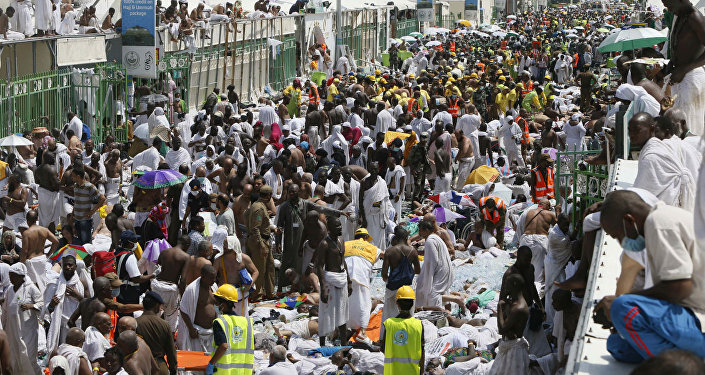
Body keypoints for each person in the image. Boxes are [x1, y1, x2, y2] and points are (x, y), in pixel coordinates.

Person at [596, 190, 705, 363]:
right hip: (689, 318)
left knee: (622, 308)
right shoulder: (661, 219)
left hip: (699, 320)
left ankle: (684, 366)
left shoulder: (659, 223)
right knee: (617, 345)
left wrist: (621, 300)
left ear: (629, 220)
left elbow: (679, 287)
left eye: (617, 235)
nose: (620, 242)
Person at [629, 112, 695, 211]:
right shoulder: (656, 147)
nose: (631, 135)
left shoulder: (651, 157)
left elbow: (639, 198)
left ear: (652, 129)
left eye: (637, 130)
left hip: (669, 213)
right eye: (629, 130)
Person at [664, 0, 705, 135]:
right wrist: (672, 63)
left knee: (690, 126)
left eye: (669, 6)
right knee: (677, 124)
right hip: (681, 75)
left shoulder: (695, 17)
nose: (669, 10)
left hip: (691, 77)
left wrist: (684, 69)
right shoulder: (681, 15)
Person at [2, 262, 42, 374]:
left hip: (27, 329)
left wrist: (31, 306)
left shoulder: (31, 288)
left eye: (13, 275)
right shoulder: (9, 289)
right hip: (12, 329)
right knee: (14, 355)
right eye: (9, 275)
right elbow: (5, 309)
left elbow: (41, 303)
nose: (10, 278)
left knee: (27, 355)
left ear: (20, 276)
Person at [316, 216, 350, 346]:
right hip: (330, 281)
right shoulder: (324, 244)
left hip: (342, 279)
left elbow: (343, 261)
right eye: (337, 226)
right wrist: (323, 287)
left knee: (342, 312)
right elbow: (319, 266)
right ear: (329, 229)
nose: (340, 228)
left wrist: (349, 281)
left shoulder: (341, 240)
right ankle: (322, 344)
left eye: (340, 225)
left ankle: (344, 343)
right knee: (326, 313)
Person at [206, 284, 254, 375]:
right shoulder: (246, 322)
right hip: (243, 372)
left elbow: (223, 346)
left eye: (216, 302)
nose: (215, 305)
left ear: (223, 304)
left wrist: (211, 363)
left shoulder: (220, 322)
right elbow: (252, 345)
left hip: (224, 372)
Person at [343, 228, 381, 342]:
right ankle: (363, 332)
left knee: (346, 303)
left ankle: (343, 329)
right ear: (365, 238)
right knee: (364, 304)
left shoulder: (345, 244)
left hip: (345, 278)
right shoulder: (372, 248)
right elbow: (386, 254)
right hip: (362, 278)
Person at [489, 274, 530, 375]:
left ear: (514, 285)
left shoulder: (518, 308)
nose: (505, 288)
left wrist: (499, 308)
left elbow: (501, 329)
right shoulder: (513, 303)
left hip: (514, 351)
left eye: (507, 285)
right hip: (510, 346)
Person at [381, 226, 420, 331]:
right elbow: (418, 270)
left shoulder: (389, 252)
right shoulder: (413, 252)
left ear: (396, 238)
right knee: (409, 313)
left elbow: (384, 274)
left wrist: (390, 280)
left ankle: (387, 336)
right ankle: (408, 334)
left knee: (389, 313)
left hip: (393, 286)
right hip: (408, 287)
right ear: (406, 237)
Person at [381, 286, 424, 375]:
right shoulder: (418, 325)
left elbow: (383, 348)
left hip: (392, 371)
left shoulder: (389, 324)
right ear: (412, 304)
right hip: (412, 372)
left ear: (397, 303)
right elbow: (422, 351)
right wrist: (422, 372)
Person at [46, 255, 85, 354]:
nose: (68, 267)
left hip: (76, 324)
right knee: (60, 351)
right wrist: (52, 304)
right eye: (65, 265)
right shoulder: (54, 284)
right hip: (60, 324)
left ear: (75, 266)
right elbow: (46, 311)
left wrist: (77, 295)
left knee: (75, 352)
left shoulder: (82, 283)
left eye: (70, 265)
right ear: (62, 266)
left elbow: (88, 304)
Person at [213, 235, 258, 316]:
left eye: (226, 244)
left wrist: (249, 285)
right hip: (225, 293)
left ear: (233, 245)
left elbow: (255, 272)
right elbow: (212, 276)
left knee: (241, 316)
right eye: (223, 244)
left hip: (241, 290)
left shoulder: (244, 258)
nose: (223, 246)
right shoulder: (219, 260)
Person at [153, 235, 190, 331]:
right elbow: (183, 280)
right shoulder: (186, 257)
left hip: (157, 285)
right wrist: (183, 298)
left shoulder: (164, 252)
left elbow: (158, 269)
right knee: (171, 320)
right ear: (187, 245)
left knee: (154, 316)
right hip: (170, 289)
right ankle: (169, 342)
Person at [136, 291, 178, 375]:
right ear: (156, 306)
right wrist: (173, 369)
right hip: (159, 367)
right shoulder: (164, 324)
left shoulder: (135, 323)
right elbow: (171, 350)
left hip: (140, 367)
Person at [178, 264, 217, 352]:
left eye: (215, 278)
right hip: (197, 333)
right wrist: (191, 329)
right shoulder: (192, 289)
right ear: (203, 276)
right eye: (211, 278)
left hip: (212, 333)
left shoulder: (213, 288)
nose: (214, 281)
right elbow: (183, 309)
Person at [415, 220, 453, 309]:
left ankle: (437, 316)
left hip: (440, 271)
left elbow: (433, 261)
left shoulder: (430, 241)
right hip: (443, 269)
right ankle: (449, 310)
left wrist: (427, 277)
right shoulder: (435, 238)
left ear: (427, 230)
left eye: (421, 230)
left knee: (432, 295)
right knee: (439, 292)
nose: (419, 233)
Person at [247, 184, 275, 300]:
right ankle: (257, 294)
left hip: (265, 240)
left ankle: (269, 292)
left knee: (270, 266)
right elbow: (255, 228)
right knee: (260, 269)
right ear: (268, 196)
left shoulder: (261, 205)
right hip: (260, 242)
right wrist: (262, 245)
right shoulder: (258, 208)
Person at [519, 199, 557, 283]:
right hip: (540, 242)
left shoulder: (529, 212)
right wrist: (557, 212)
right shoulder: (550, 214)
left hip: (525, 240)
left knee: (523, 267)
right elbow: (559, 227)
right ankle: (535, 290)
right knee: (537, 274)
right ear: (547, 206)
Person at [21, 209, 58, 293]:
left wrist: (21, 264)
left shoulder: (26, 233)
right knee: (42, 283)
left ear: (27, 221)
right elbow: (56, 241)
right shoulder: (44, 230)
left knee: (32, 285)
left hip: (31, 261)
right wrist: (48, 254)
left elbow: (25, 251)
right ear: (37, 218)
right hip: (42, 259)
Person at [359, 162, 392, 251]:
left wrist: (385, 218)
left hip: (379, 215)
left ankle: (379, 254)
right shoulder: (364, 182)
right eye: (372, 169)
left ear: (378, 169)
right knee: (369, 236)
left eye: (375, 169)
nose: (374, 171)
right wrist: (363, 218)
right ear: (369, 170)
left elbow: (385, 200)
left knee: (379, 237)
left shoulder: (382, 183)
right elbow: (360, 201)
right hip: (368, 214)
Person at [72, 164, 106, 245]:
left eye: (73, 176)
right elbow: (76, 201)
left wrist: (92, 211)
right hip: (77, 218)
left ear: (78, 176)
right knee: (80, 241)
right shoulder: (76, 186)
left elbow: (102, 198)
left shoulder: (90, 186)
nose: (72, 178)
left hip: (85, 220)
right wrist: (73, 214)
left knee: (86, 243)